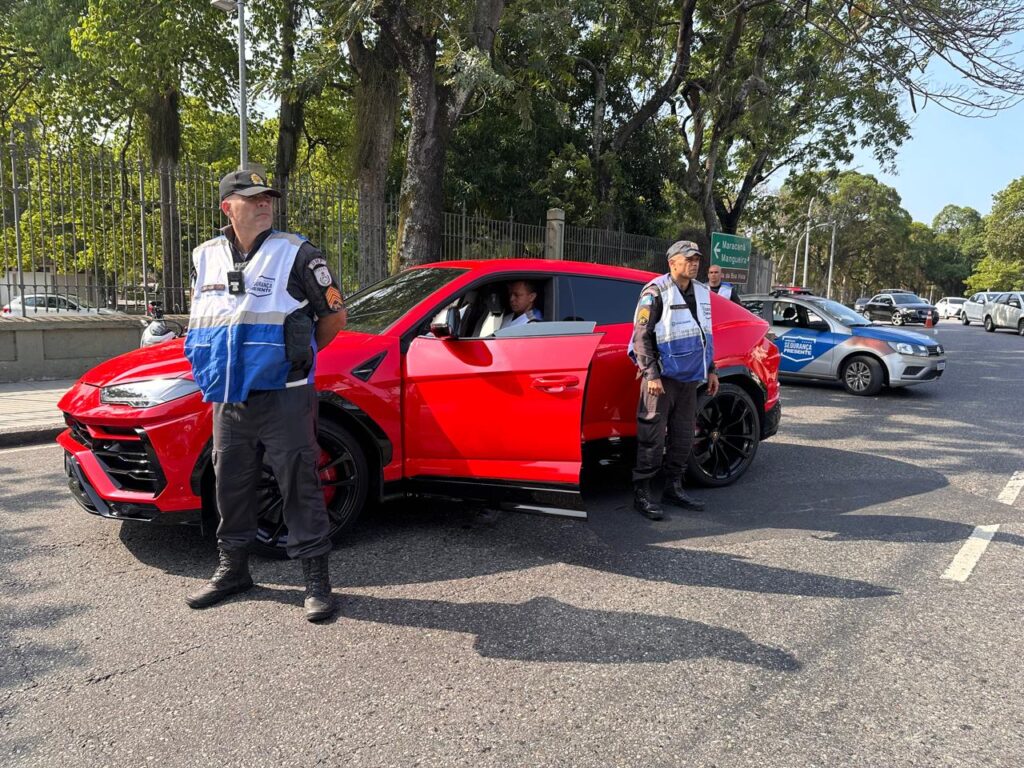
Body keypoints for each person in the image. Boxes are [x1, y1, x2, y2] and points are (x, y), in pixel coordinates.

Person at [183, 169, 348, 622]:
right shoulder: (204, 256)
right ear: (227, 207)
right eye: (252, 198)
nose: (264, 204)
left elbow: (334, 316)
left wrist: (298, 356)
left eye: (268, 198)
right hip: (229, 395)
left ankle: (316, 581)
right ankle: (234, 570)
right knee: (230, 485)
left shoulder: (297, 253)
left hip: (286, 395)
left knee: (299, 482)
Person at [628, 240, 720, 520]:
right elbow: (641, 336)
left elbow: (705, 333)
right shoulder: (656, 292)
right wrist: (651, 373)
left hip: (689, 378)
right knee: (652, 437)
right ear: (672, 263)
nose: (694, 263)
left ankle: (673, 487)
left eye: (697, 259)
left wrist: (711, 369)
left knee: (682, 437)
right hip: (661, 379)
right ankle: (642, 493)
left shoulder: (702, 293)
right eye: (688, 258)